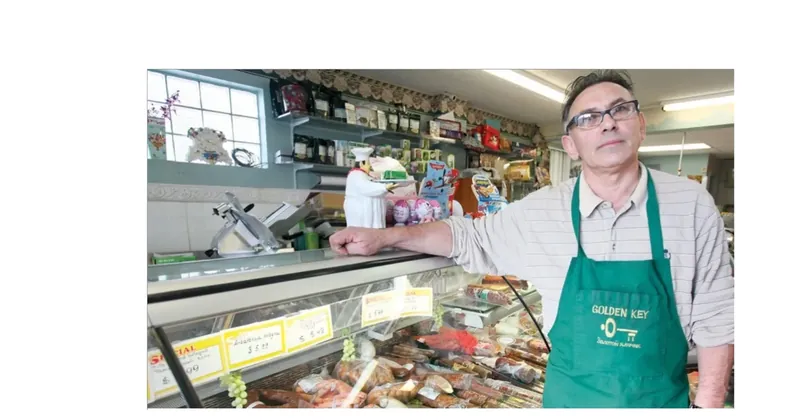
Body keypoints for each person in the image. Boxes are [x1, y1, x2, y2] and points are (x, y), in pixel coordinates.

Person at [329, 70, 734, 408]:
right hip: (568, 402)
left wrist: (709, 404)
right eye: (589, 117)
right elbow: (467, 237)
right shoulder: (543, 210)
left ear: (640, 125)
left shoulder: (691, 204)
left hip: (658, 403)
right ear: (572, 146)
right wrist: (385, 236)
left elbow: (718, 318)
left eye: (620, 110)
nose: (608, 122)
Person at [343, 147, 397, 229]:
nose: (369, 166)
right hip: (360, 212)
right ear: (361, 164)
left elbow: (373, 186)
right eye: (368, 164)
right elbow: (366, 188)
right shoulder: (356, 175)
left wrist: (385, 187)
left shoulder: (364, 175)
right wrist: (384, 187)